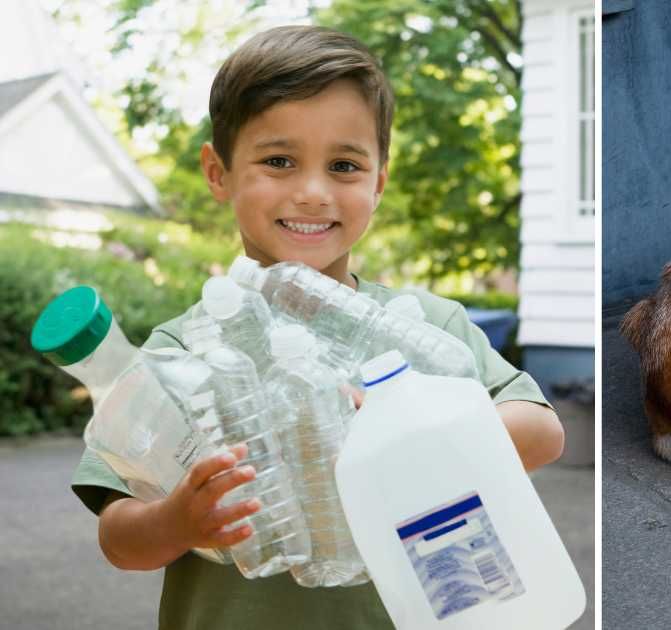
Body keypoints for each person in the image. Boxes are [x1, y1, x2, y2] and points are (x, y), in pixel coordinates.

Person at [70, 25, 564, 629]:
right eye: (278, 161)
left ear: (378, 183)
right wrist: (180, 520)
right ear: (218, 171)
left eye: (344, 165)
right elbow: (119, 538)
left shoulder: (427, 325)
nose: (312, 192)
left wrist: (409, 432)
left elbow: (542, 433)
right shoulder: (179, 355)